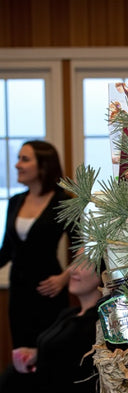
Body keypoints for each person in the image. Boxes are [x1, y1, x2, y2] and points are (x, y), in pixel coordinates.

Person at [0, 255, 102, 393]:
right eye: (74, 261)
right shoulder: (70, 314)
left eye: (85, 262)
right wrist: (35, 353)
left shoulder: (97, 325)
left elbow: (78, 382)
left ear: (104, 272)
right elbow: (58, 358)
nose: (73, 269)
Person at [0, 140, 74, 350]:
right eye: (18, 159)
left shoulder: (64, 202)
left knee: (49, 354)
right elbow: (6, 250)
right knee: (21, 353)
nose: (17, 165)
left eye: (24, 159)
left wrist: (64, 278)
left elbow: (84, 249)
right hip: (18, 292)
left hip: (48, 290)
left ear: (43, 165)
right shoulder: (15, 201)